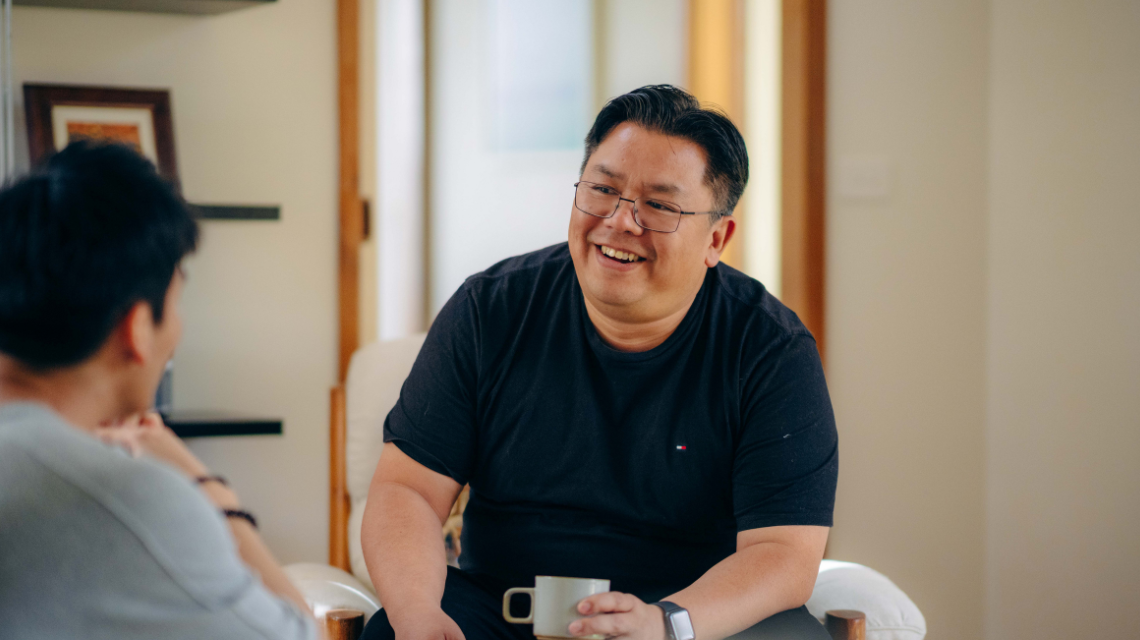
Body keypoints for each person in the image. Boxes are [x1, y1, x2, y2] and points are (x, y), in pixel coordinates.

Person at [361, 85, 838, 640]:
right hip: (509, 611)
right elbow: (408, 490)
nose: (619, 221)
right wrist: (416, 615)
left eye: (659, 205)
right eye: (602, 190)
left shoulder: (769, 350)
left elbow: (784, 553)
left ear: (717, 239)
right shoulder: (490, 310)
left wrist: (666, 624)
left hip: (692, 619)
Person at [0, 141, 317, 640]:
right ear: (138, 328)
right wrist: (206, 486)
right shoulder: (129, 500)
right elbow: (298, 634)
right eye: (178, 298)